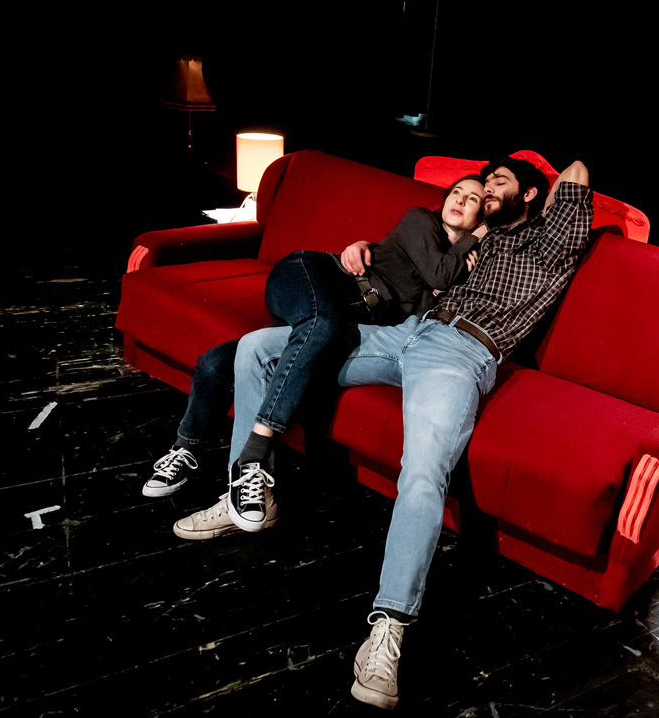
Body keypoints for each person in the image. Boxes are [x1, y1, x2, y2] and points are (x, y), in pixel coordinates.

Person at [229, 156, 592, 709]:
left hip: (463, 353)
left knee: (423, 472)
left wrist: (529, 181)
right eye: (483, 182)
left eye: (498, 182)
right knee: (258, 347)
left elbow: (579, 171)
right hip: (407, 333)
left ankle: (389, 628)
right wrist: (362, 248)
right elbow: (409, 256)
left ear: (532, 194)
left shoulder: (550, 242)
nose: (485, 189)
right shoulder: (479, 240)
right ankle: (245, 487)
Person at [143, 176, 488, 535]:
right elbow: (438, 273)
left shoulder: (460, 263)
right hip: (313, 276)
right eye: (457, 192)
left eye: (473, 199)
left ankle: (186, 445)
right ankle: (253, 456)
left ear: (480, 213)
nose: (461, 200)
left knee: (227, 359)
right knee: (320, 325)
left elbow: (432, 299)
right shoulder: (422, 220)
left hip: (344, 317)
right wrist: (476, 235)